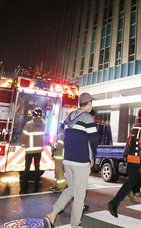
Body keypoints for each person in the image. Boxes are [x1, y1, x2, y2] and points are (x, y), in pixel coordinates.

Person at [43, 93, 98, 228]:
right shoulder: (88, 118)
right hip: (80, 161)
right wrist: (93, 157)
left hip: (68, 159)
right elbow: (94, 140)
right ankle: (75, 225)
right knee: (79, 196)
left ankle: (52, 214)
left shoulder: (69, 116)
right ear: (89, 103)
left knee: (71, 189)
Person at [108, 108, 141, 219]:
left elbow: (128, 143)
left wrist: (125, 155)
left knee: (130, 183)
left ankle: (114, 203)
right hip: (139, 161)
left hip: (131, 160)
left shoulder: (134, 128)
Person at [20, 107, 46, 194]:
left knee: (27, 170)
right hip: (38, 150)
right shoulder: (44, 124)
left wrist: (23, 144)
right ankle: (36, 188)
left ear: (33, 114)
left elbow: (24, 136)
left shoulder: (29, 124)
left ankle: (24, 189)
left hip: (30, 151)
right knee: (37, 169)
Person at [50, 123, 66, 192]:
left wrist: (53, 145)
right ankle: (56, 185)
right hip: (58, 156)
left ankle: (61, 187)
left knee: (59, 172)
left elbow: (59, 145)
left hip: (60, 156)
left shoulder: (61, 135)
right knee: (57, 172)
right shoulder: (61, 135)